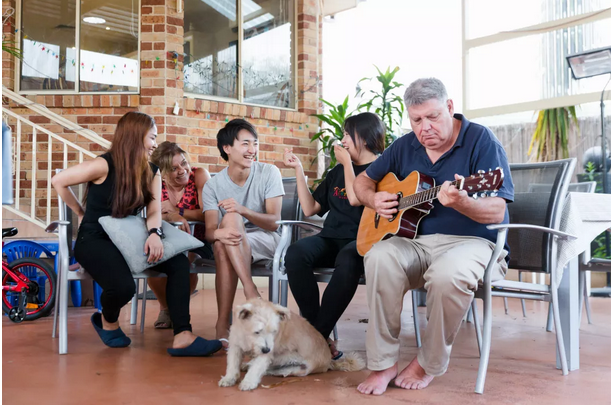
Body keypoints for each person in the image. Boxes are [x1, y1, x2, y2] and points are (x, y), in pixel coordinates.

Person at [354, 78, 514, 395]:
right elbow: (362, 182)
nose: (424, 127)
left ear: (449, 107)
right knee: (379, 257)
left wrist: (463, 202)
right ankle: (383, 363)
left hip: (474, 243)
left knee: (447, 275)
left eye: (433, 116)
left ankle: (427, 363)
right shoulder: (404, 146)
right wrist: (373, 200)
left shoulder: (480, 140)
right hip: (415, 243)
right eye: (416, 120)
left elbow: (497, 212)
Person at [51, 111, 221, 356]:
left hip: (130, 237)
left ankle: (183, 335)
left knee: (178, 263)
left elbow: (154, 211)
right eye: (152, 137)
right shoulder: (103, 164)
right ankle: (108, 321)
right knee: (123, 287)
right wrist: (80, 212)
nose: (154, 144)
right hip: (95, 239)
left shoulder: (152, 171)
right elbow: (59, 180)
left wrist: (154, 233)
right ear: (135, 136)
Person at [282, 112, 385, 360]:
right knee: (296, 253)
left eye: (348, 135)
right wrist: (298, 170)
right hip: (331, 237)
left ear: (365, 138)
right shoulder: (337, 172)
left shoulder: (382, 170)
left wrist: (348, 165)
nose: (343, 140)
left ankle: (315, 339)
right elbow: (310, 209)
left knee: (349, 258)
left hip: (362, 240)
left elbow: (356, 198)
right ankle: (317, 335)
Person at [203, 119, 284, 348]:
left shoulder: (269, 172)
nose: (252, 150)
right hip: (233, 242)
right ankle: (250, 295)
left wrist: (243, 210)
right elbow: (210, 231)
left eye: (255, 144)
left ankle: (226, 319)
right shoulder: (213, 185)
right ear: (227, 148)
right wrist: (220, 234)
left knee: (231, 219)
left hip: (268, 239)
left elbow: (274, 222)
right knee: (222, 240)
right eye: (245, 144)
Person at [147, 141, 214, 329]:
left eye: (184, 163)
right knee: (153, 261)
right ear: (162, 173)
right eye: (174, 168)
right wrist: (171, 216)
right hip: (165, 239)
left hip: (198, 240)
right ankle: (166, 308)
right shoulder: (153, 182)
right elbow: (148, 215)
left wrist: (178, 211)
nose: (182, 170)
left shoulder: (199, 176)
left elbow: (208, 213)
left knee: (186, 262)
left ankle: (178, 310)